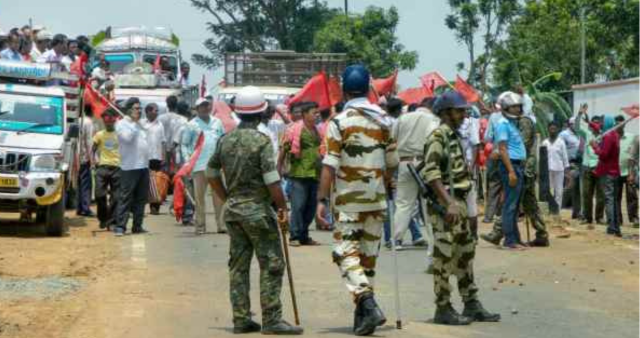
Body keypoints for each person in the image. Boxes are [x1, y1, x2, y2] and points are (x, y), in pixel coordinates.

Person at [207, 85, 303, 335]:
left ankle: (241, 319)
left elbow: (211, 173)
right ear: (262, 113)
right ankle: (271, 319)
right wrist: (282, 207)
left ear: (238, 113)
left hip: (234, 211)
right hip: (258, 212)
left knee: (238, 266)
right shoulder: (261, 142)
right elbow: (272, 180)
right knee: (272, 264)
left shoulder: (225, 140)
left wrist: (227, 197)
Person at [315, 65, 396, 336]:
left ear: (345, 90)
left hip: (349, 201)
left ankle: (369, 305)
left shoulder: (339, 122)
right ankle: (362, 317)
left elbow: (330, 164)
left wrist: (321, 200)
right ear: (367, 89)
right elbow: (392, 162)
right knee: (367, 260)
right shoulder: (385, 120)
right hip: (377, 199)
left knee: (345, 253)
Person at [422, 90, 500, 325]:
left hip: (459, 203)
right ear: (445, 113)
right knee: (444, 257)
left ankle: (471, 302)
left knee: (465, 255)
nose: (464, 114)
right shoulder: (438, 137)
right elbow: (431, 173)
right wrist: (449, 204)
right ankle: (443, 307)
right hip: (447, 207)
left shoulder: (453, 135)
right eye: (459, 110)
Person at [391, 97, 438, 254]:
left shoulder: (402, 118)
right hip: (425, 163)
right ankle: (434, 240)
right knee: (429, 203)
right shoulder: (433, 119)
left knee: (403, 203)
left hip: (405, 163)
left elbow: (392, 139)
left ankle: (397, 239)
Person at [481, 92, 527, 250]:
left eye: (519, 106)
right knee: (510, 205)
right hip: (511, 165)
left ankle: (516, 238)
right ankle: (509, 240)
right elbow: (502, 148)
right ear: (507, 108)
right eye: (514, 107)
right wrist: (511, 172)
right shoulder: (502, 124)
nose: (518, 109)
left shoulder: (513, 124)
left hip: (517, 165)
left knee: (514, 205)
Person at [278, 102, 321, 246]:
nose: (317, 115)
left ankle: (304, 235)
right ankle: (294, 236)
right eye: (314, 112)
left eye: (317, 113)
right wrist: (280, 167)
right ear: (305, 114)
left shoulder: (316, 130)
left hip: (314, 174)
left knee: (311, 207)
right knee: (298, 206)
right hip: (299, 174)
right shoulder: (295, 130)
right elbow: (284, 149)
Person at [181, 98, 225, 235]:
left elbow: (223, 140)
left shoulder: (217, 122)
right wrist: (188, 162)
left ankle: (221, 225)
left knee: (220, 196)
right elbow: (184, 144)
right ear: (197, 108)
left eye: (207, 105)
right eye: (202, 106)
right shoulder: (192, 124)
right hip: (199, 165)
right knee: (200, 198)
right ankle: (200, 226)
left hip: (216, 165)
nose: (205, 108)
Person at [114, 97, 150, 236]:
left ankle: (137, 226)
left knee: (141, 198)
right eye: (136, 108)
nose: (139, 111)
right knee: (125, 197)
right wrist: (135, 124)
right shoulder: (121, 124)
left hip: (143, 166)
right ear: (129, 110)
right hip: (129, 167)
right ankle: (120, 226)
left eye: (140, 108)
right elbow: (127, 139)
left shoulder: (141, 124)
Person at [590, 115, 621, 236]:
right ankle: (615, 226)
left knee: (609, 200)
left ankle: (612, 227)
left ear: (607, 123)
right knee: (613, 200)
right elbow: (598, 128)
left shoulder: (608, 137)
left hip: (608, 172)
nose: (601, 124)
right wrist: (589, 122)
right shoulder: (614, 134)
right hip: (614, 172)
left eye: (602, 122)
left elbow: (603, 155)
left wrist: (595, 146)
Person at [92, 109, 121, 230]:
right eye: (106, 119)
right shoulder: (99, 135)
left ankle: (112, 220)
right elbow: (93, 150)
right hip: (102, 167)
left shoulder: (120, 134)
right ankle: (103, 218)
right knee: (99, 194)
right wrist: (94, 161)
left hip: (118, 168)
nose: (108, 122)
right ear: (103, 121)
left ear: (115, 120)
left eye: (111, 119)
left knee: (116, 197)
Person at [576, 110, 605, 225]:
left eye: (598, 123)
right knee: (587, 194)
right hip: (587, 167)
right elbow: (577, 127)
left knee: (601, 194)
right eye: (593, 122)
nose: (595, 125)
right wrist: (579, 115)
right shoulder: (587, 133)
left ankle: (599, 217)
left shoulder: (604, 135)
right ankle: (587, 218)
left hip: (600, 167)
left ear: (600, 124)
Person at [615, 115, 638, 226]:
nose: (619, 125)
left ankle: (634, 218)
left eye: (621, 122)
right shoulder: (611, 137)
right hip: (615, 172)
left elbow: (634, 154)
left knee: (632, 195)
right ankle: (618, 219)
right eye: (617, 123)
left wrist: (633, 171)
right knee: (616, 196)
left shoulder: (631, 137)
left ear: (624, 124)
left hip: (629, 171)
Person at [542, 121, 570, 214]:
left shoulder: (561, 142)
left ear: (558, 130)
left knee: (559, 191)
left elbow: (565, 157)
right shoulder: (545, 142)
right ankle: (550, 209)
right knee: (549, 190)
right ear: (548, 130)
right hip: (548, 170)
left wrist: (567, 171)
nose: (553, 131)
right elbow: (542, 157)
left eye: (554, 129)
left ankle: (557, 210)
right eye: (551, 129)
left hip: (559, 169)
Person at [143, 103, 166, 215]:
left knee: (156, 183)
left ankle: (155, 207)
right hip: (144, 157)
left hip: (156, 157)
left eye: (157, 110)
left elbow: (163, 141)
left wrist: (164, 156)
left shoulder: (160, 125)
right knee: (144, 182)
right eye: (154, 110)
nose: (157, 112)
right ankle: (140, 206)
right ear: (147, 112)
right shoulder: (142, 124)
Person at [559, 117, 582, 219]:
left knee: (577, 189)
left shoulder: (580, 134)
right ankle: (559, 207)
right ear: (569, 124)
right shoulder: (564, 134)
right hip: (569, 164)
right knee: (569, 187)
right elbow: (559, 149)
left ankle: (576, 212)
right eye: (573, 124)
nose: (575, 126)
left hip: (580, 164)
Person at [77, 106, 95, 217]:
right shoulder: (88, 122)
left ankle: (79, 208)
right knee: (86, 184)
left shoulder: (77, 120)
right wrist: (91, 158)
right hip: (84, 157)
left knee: (79, 184)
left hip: (75, 157)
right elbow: (89, 141)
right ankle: (85, 208)